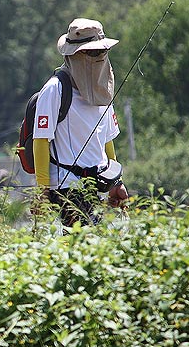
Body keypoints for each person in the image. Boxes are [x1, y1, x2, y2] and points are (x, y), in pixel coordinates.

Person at [31, 18, 129, 227]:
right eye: (93, 52)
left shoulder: (104, 90)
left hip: (99, 187)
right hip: (68, 189)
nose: (100, 57)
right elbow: (40, 141)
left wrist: (116, 183)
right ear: (74, 54)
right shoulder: (54, 90)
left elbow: (106, 140)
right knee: (83, 249)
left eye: (102, 52)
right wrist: (42, 192)